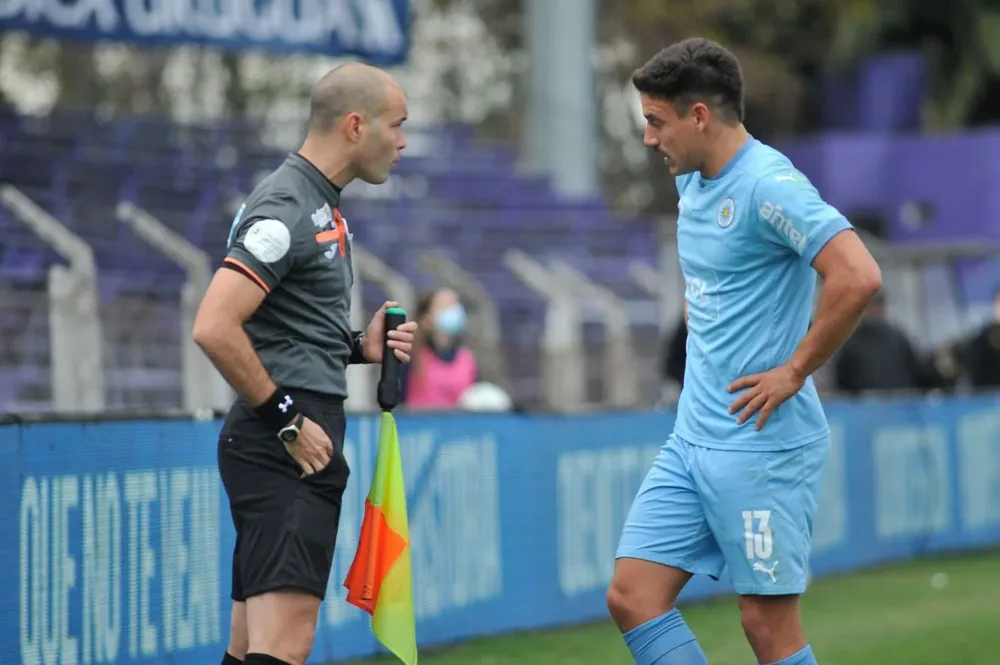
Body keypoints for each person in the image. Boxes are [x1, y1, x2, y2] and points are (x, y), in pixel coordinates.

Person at [606, 38, 882, 665]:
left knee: (766, 627)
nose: (649, 139)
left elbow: (858, 275)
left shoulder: (769, 184)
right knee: (632, 596)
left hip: (760, 446)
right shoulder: (696, 181)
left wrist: (793, 370)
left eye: (657, 121)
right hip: (692, 437)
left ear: (699, 116)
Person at [192, 62, 418, 665]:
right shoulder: (288, 204)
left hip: (284, 437)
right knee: (282, 649)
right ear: (354, 125)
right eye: (396, 126)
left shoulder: (320, 204)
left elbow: (279, 331)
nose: (402, 142)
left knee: (249, 650)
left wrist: (355, 347)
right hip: (284, 444)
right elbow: (215, 325)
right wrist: (286, 419)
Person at [400, 287, 478, 409]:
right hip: (419, 426)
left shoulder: (467, 359)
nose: (453, 310)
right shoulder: (410, 357)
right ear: (425, 318)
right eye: (444, 305)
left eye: (454, 304)